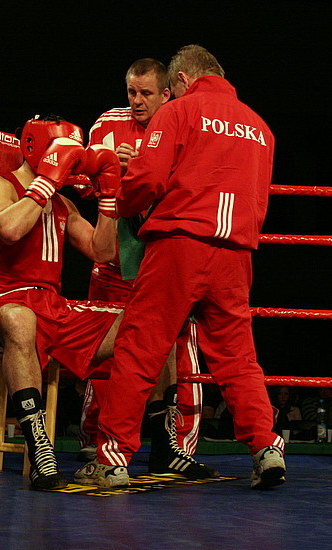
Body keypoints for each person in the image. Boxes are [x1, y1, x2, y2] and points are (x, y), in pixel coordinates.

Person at [75, 44, 285, 490]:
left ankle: (112, 458)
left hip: (180, 245)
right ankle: (267, 448)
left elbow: (147, 180)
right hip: (235, 254)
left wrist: (123, 199)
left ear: (184, 80)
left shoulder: (178, 111)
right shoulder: (260, 128)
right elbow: (258, 197)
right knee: (238, 357)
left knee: (139, 347)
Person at [0, 113, 129, 491]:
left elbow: (102, 252)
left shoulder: (63, 205)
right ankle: (40, 447)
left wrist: (109, 199)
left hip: (52, 307)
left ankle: (120, 448)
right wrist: (47, 182)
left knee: (144, 320)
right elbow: (9, 229)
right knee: (21, 319)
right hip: (3, 306)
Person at [76, 58, 206, 475]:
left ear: (166, 93)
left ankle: (172, 446)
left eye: (146, 93)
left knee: (174, 348)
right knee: (102, 345)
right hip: (115, 259)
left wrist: (144, 171)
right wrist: (110, 167)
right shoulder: (107, 124)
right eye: (131, 92)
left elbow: (193, 189)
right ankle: (96, 439)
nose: (136, 101)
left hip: (165, 257)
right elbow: (81, 185)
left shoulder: (184, 122)